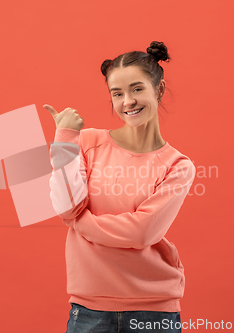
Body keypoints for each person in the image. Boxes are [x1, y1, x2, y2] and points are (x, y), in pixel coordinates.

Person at [44, 41, 195, 333]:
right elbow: (66, 205)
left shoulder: (178, 165)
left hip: (152, 311)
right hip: (88, 309)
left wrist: (79, 222)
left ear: (159, 89)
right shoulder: (86, 142)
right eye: (118, 93)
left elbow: (142, 232)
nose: (128, 101)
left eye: (137, 89)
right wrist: (64, 140)